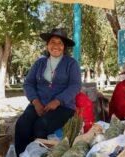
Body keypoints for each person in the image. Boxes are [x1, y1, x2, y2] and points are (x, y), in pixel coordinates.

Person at [14, 28, 82, 156]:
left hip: (64, 106)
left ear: (64, 47)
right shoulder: (39, 63)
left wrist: (58, 101)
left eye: (59, 43)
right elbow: (28, 83)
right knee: (22, 124)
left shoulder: (71, 64)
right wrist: (35, 101)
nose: (55, 46)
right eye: (52, 42)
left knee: (41, 126)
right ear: (47, 45)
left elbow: (76, 85)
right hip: (38, 104)